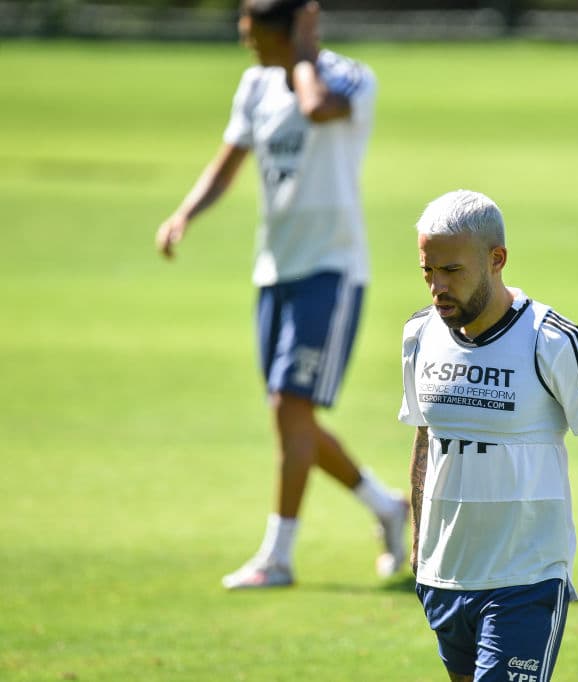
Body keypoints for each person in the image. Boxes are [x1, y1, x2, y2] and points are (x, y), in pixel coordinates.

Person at [155, 0, 407, 590]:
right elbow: (229, 161)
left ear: (293, 28)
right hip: (275, 270)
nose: (248, 47)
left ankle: (279, 557)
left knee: (288, 408)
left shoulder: (348, 77)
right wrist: (185, 214)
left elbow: (318, 109)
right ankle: (387, 507)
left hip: (332, 267)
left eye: (256, 36)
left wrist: (300, 54)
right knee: (290, 413)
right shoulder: (254, 85)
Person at [400, 190, 578, 681]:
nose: (437, 287)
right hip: (444, 576)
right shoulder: (419, 335)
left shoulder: (552, 340)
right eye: (429, 272)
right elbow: (427, 442)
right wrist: (418, 547)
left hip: (525, 579)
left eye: (452, 272)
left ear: (497, 260)